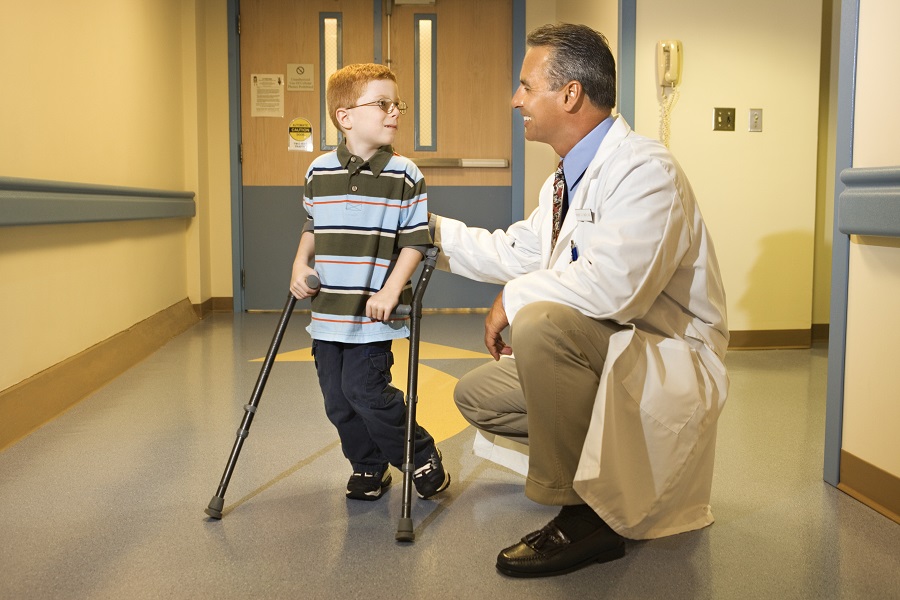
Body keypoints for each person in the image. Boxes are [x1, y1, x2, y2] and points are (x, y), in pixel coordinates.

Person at [430, 24, 729, 577]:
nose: (515, 99)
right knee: (480, 396)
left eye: (525, 85)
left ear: (569, 94)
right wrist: (426, 231)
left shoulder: (645, 171)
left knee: (541, 322)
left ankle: (585, 515)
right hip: (614, 352)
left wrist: (509, 302)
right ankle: (600, 470)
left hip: (664, 354)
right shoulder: (565, 182)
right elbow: (517, 251)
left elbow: (613, 287)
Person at [289, 63, 450, 503]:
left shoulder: (404, 173)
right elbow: (311, 226)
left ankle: (419, 453)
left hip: (372, 315)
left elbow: (416, 241)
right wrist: (299, 266)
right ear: (345, 117)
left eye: (397, 104)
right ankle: (368, 464)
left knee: (367, 392)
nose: (394, 111)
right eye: (382, 104)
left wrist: (391, 290)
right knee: (337, 401)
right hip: (326, 314)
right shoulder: (319, 170)